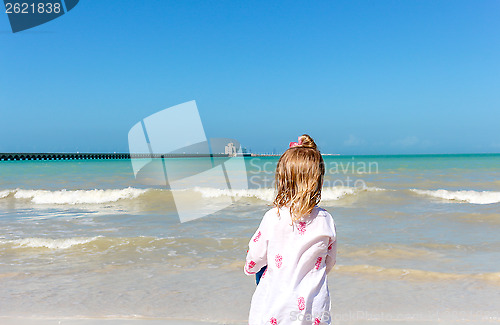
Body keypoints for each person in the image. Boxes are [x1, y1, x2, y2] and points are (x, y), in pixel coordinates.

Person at [244, 134, 337, 325]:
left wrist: (250, 268)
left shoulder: (273, 217)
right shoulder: (325, 219)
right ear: (318, 181)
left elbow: (255, 257)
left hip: (276, 309)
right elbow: (330, 262)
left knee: (263, 273)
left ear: (282, 180)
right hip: (314, 309)